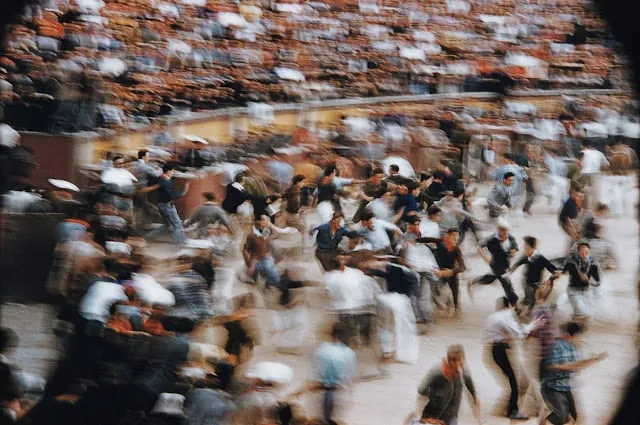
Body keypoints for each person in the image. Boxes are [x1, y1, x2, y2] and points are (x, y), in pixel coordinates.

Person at [484, 297, 542, 421]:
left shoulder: (494, 316)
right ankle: (512, 411)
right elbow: (519, 334)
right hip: (501, 350)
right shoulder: (505, 316)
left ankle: (504, 410)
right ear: (511, 305)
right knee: (514, 383)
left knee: (513, 382)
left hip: (496, 350)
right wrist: (532, 325)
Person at [290, 322, 357, 425]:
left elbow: (315, 377)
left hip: (320, 393)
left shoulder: (321, 350)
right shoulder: (350, 353)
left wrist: (300, 391)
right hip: (339, 394)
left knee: (317, 422)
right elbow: (349, 380)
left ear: (331, 334)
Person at [541, 322, 607, 425]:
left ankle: (547, 417)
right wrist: (570, 366)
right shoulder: (557, 346)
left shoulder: (573, 348)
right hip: (551, 387)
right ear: (574, 335)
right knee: (562, 416)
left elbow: (577, 366)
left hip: (564, 386)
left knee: (573, 416)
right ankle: (544, 420)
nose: (582, 339)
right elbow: (552, 366)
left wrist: (592, 360)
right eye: (580, 336)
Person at [413, 345, 482, 425]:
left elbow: (473, 394)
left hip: (451, 415)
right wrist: (421, 415)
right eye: (453, 361)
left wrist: (478, 418)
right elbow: (422, 389)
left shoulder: (464, 372)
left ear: (463, 359)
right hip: (433, 414)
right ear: (449, 360)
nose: (457, 365)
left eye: (460, 361)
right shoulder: (437, 371)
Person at [417, 229, 466, 314]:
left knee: (455, 295)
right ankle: (441, 306)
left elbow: (463, 267)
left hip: (450, 273)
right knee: (433, 291)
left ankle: (456, 309)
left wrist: (451, 271)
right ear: (447, 237)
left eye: (457, 237)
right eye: (453, 236)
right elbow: (427, 239)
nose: (456, 238)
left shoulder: (457, 250)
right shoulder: (440, 242)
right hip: (438, 271)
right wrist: (415, 241)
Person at [469, 222, 519, 306]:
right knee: (506, 283)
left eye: (505, 231)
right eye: (502, 230)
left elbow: (515, 248)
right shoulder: (491, 239)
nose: (503, 233)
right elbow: (479, 246)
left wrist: (514, 252)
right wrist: (485, 258)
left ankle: (474, 282)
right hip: (496, 264)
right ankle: (515, 304)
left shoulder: (510, 238)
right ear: (498, 230)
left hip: (506, 264)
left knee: (493, 278)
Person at [145, 162, 189, 246]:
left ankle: (148, 237)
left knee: (167, 225)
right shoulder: (165, 182)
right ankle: (179, 243)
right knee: (177, 224)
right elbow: (173, 195)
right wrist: (184, 190)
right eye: (172, 171)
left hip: (162, 205)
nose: (173, 173)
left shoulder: (161, 179)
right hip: (167, 205)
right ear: (168, 171)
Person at [509, 237, 560, 309]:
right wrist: (512, 269)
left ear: (532, 247)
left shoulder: (540, 258)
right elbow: (519, 262)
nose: (524, 249)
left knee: (531, 300)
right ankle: (524, 309)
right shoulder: (527, 256)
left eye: (526, 247)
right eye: (524, 247)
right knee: (529, 297)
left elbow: (553, 270)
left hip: (536, 284)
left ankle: (524, 309)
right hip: (526, 283)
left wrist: (552, 277)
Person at [562, 242, 602, 320]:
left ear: (589, 252)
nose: (584, 255)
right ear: (578, 252)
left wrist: (589, 280)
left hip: (587, 293)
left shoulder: (594, 264)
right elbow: (561, 272)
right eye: (582, 253)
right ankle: (573, 326)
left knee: (584, 316)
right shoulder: (571, 262)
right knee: (583, 314)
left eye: (586, 252)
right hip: (573, 291)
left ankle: (573, 327)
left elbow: (598, 283)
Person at [243, 215, 283, 291]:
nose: (267, 222)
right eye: (264, 220)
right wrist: (250, 264)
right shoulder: (252, 236)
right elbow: (245, 250)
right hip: (257, 260)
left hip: (266, 258)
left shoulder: (267, 233)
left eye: (268, 220)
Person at [580, 141, 610, 208]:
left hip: (584, 172)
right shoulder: (600, 153)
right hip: (595, 173)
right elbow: (607, 165)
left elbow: (580, 163)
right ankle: (594, 208)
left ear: (589, 146)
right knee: (595, 192)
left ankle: (586, 207)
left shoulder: (584, 152)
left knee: (585, 190)